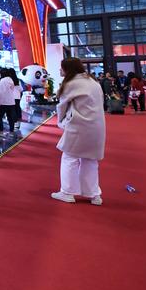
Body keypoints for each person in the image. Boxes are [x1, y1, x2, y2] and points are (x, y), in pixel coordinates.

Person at [51, 58, 105, 206]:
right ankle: (94, 194)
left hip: (78, 125)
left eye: (61, 67)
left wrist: (61, 122)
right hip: (97, 125)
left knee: (69, 157)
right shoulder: (93, 81)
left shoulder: (71, 84)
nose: (60, 70)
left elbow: (62, 106)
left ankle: (67, 192)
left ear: (68, 69)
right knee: (90, 160)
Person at [0, 69, 18, 138]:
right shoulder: (10, 79)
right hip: (11, 101)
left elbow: (0, 93)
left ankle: (1, 132)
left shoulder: (2, 80)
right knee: (10, 117)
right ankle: (11, 131)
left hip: (4, 102)